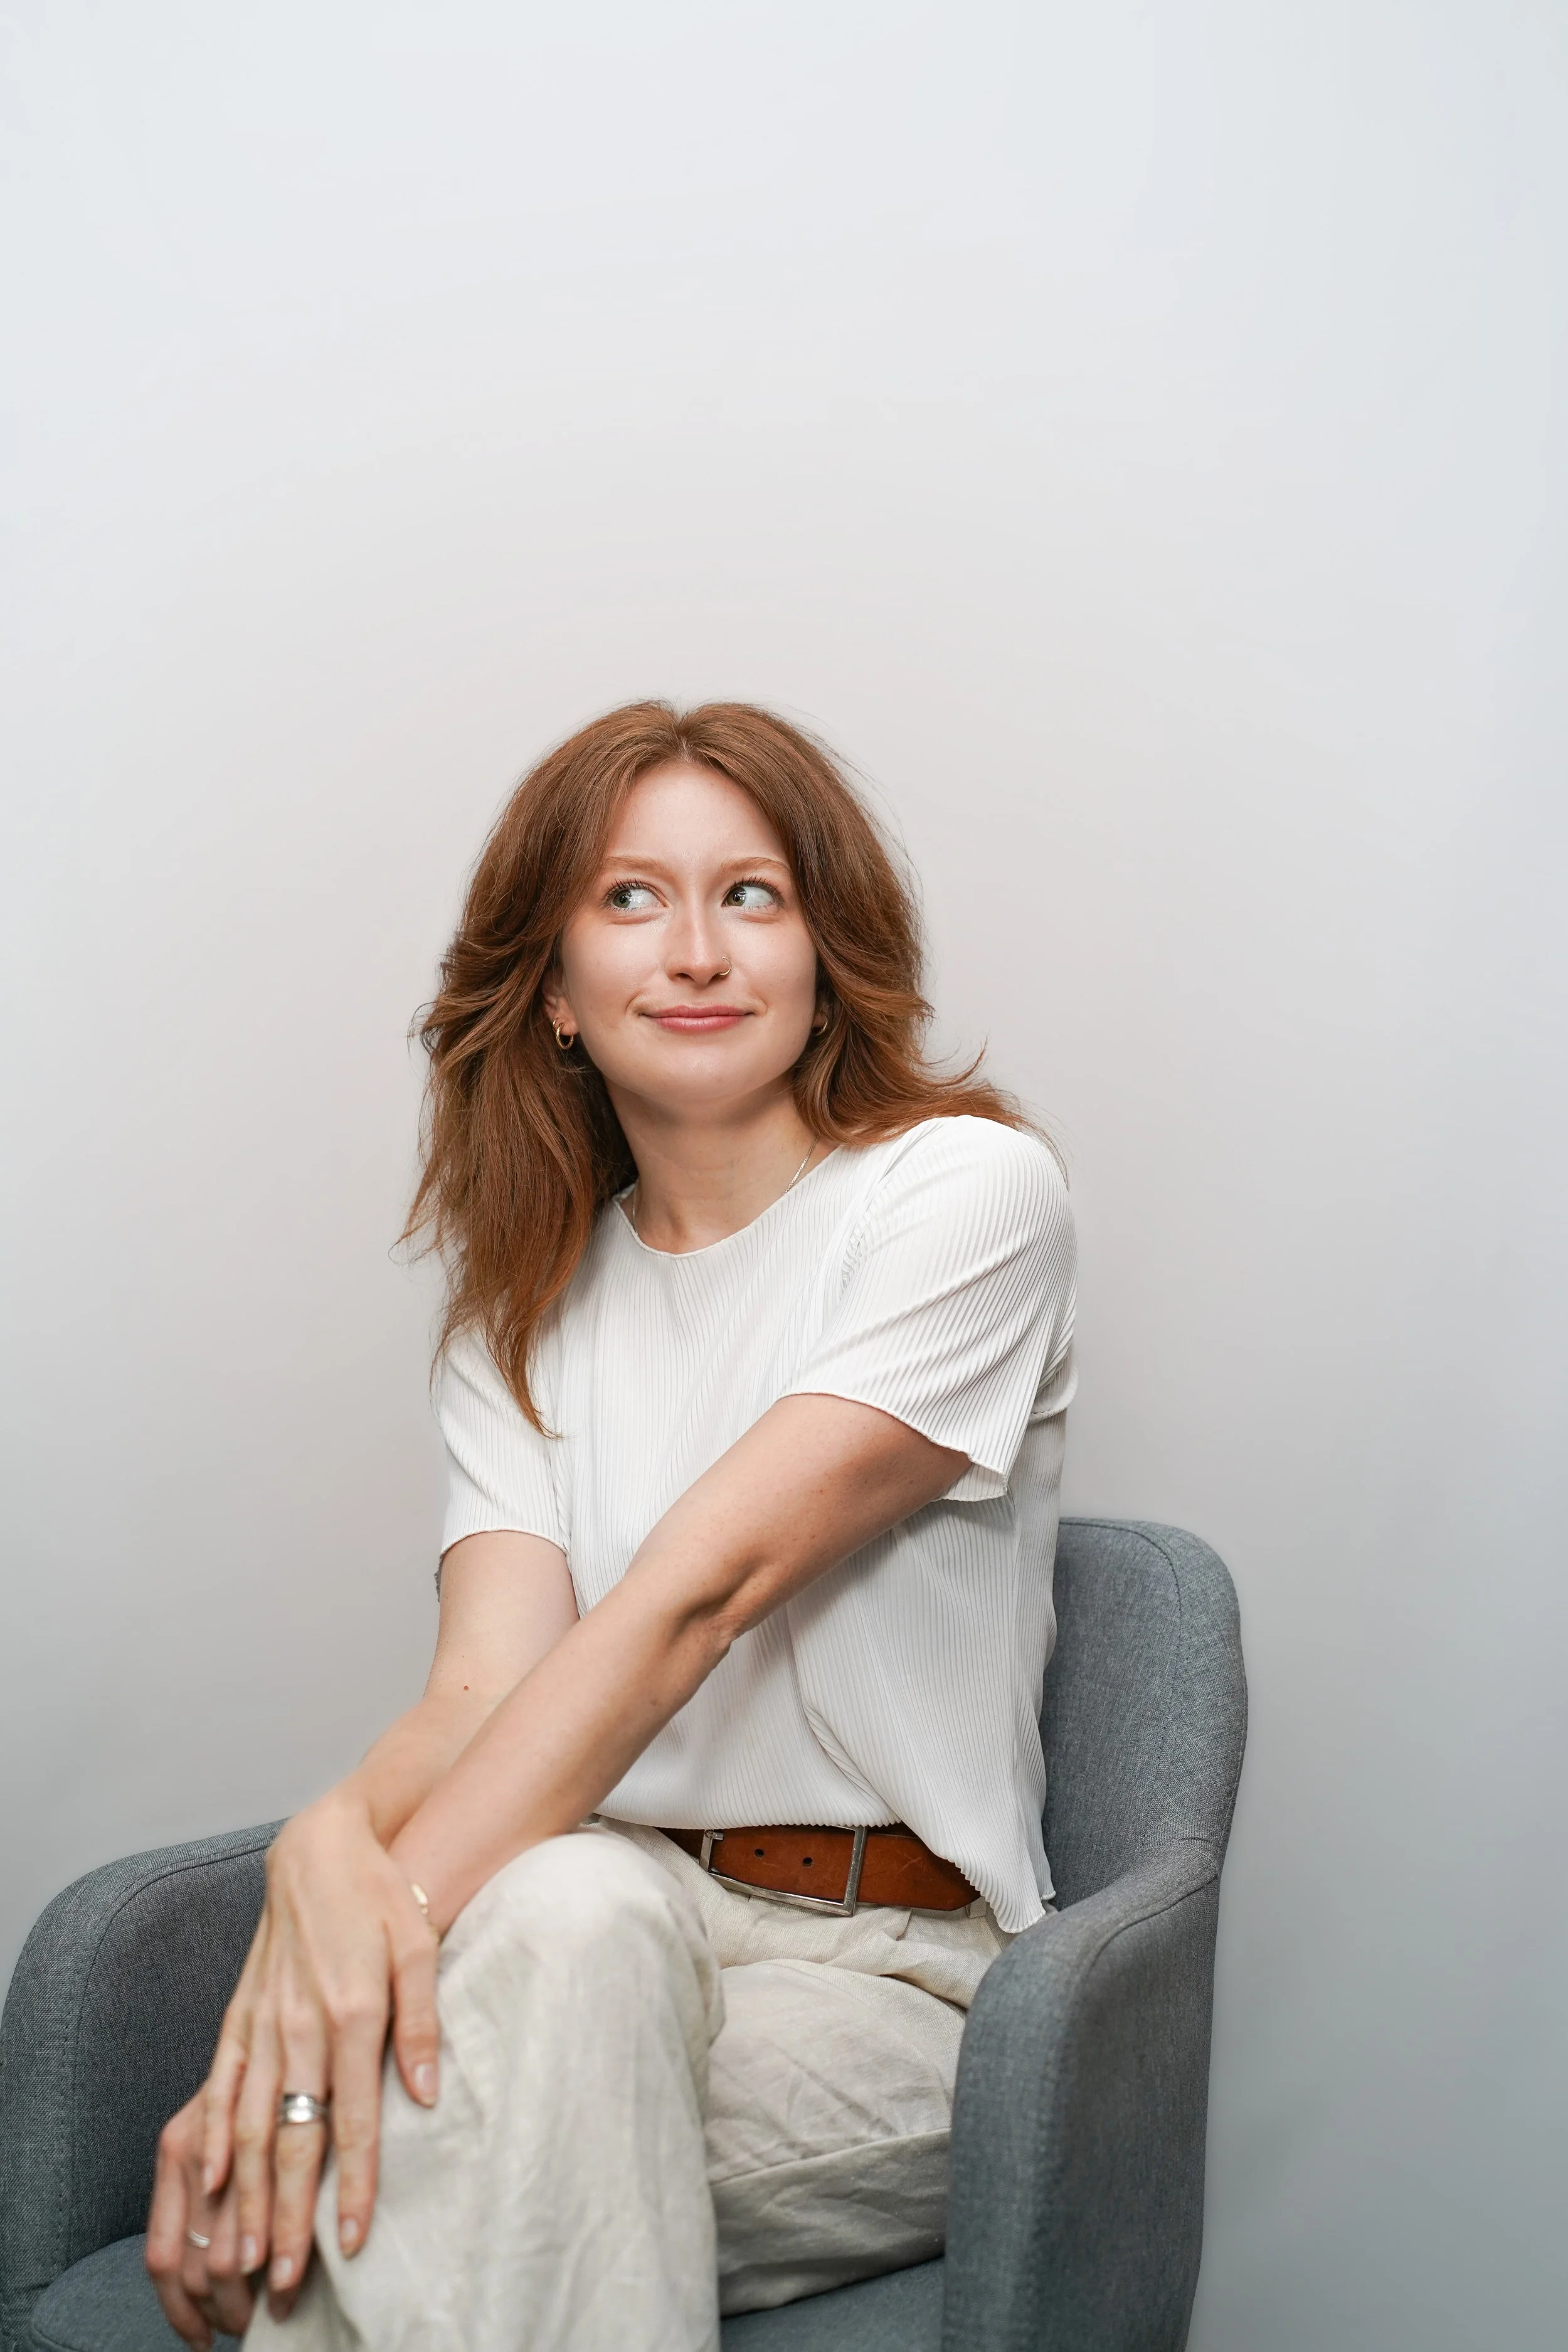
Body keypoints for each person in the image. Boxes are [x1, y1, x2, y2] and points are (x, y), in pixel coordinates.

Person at [145, 701, 1076, 2352]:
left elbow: (689, 1600)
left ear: (822, 958)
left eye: (752, 895)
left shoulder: (963, 1197)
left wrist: (303, 2054)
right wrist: (323, 1844)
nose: (698, 949)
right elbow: (480, 1695)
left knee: (380, 2179)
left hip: (887, 1979)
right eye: (631, 898)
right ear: (558, 992)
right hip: (591, 1920)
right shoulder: (526, 1319)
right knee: (572, 1915)